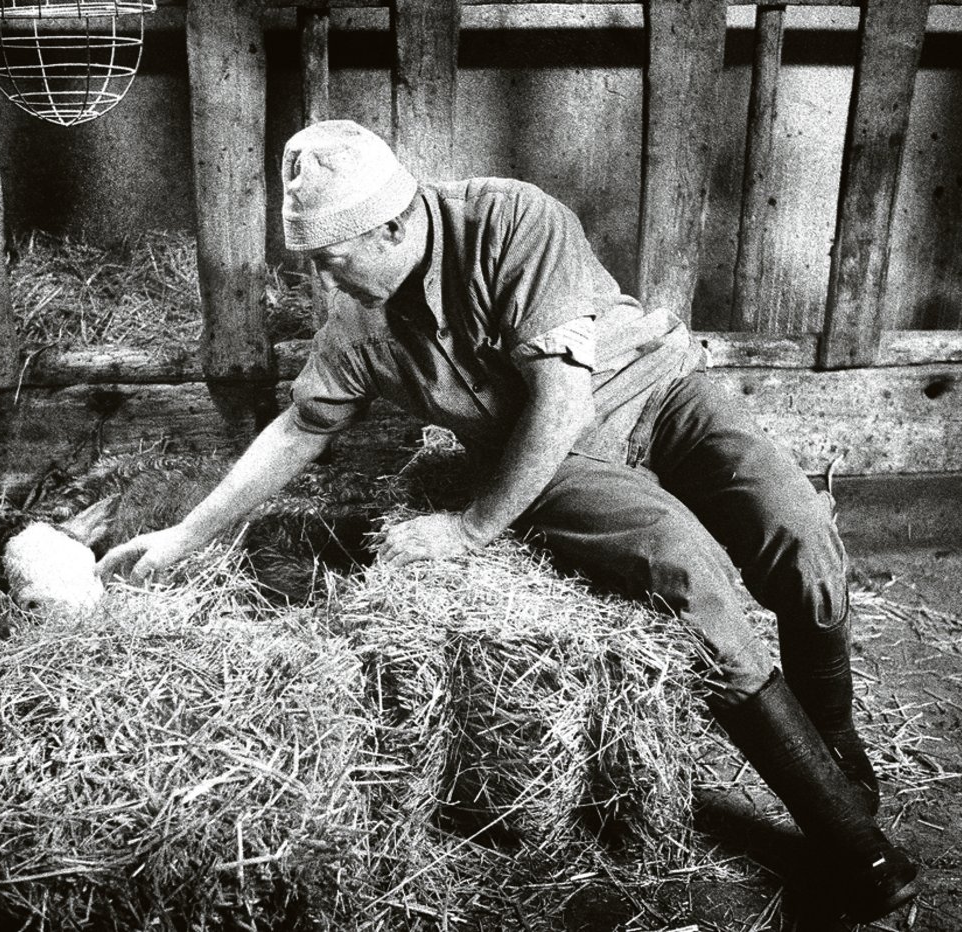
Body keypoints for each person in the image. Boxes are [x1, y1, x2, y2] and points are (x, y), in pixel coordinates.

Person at [96, 119, 919, 923]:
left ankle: (834, 739)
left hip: (656, 391)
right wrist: (184, 536)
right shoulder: (357, 323)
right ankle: (850, 841)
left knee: (797, 529)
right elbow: (301, 427)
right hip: (547, 456)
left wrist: (467, 531)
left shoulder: (512, 218)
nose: (325, 281)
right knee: (683, 564)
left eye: (331, 258)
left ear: (392, 228)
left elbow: (563, 397)